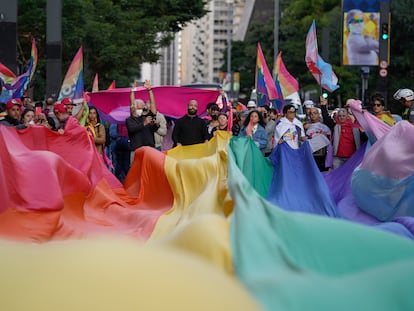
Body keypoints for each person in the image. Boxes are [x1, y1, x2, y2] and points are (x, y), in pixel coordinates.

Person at [320, 97, 361, 169]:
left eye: (343, 116)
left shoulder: (355, 126)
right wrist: (323, 106)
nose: (342, 117)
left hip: (351, 157)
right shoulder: (335, 125)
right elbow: (326, 118)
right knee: (336, 177)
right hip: (337, 158)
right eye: (340, 116)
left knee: (349, 178)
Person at [125, 80, 159, 163]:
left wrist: (149, 90)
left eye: (141, 108)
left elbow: (153, 104)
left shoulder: (147, 116)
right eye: (138, 108)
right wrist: (133, 90)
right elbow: (132, 129)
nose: (139, 110)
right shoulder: (130, 119)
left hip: (150, 150)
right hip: (136, 151)